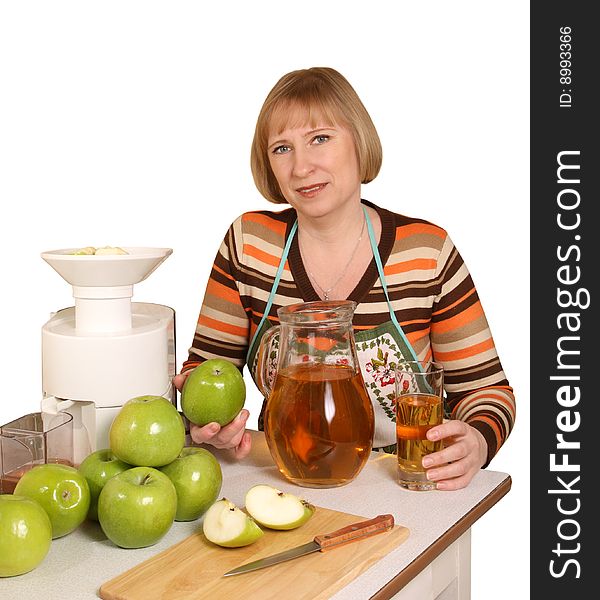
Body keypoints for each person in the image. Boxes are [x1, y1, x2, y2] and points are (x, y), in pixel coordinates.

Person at [173, 67, 516, 490]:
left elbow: (487, 392)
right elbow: (207, 371)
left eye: (320, 138)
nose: (301, 167)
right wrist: (206, 422)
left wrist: (476, 443)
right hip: (280, 478)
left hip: (407, 486)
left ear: (359, 140)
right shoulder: (249, 245)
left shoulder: (425, 252)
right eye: (282, 148)